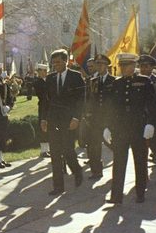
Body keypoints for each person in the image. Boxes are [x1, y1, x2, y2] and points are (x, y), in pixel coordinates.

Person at [104, 53, 156, 204]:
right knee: (119, 162)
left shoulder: (144, 81)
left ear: (134, 66)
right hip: (120, 129)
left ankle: (140, 193)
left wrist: (150, 123)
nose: (123, 69)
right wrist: (108, 126)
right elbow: (112, 107)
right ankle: (116, 195)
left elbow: (153, 104)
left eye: (127, 65)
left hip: (138, 127)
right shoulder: (117, 83)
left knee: (140, 162)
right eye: (122, 66)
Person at [40, 49, 85, 196]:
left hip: (69, 120)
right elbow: (45, 101)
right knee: (55, 153)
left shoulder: (76, 77)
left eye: (58, 62)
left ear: (66, 61)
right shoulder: (50, 78)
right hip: (53, 120)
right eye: (54, 63)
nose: (56, 65)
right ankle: (58, 186)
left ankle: (77, 171)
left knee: (67, 150)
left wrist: (77, 118)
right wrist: (44, 119)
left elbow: (81, 100)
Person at [84, 54, 116, 180]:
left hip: (109, 119)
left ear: (107, 66)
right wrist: (87, 116)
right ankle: (96, 171)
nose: (99, 67)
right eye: (97, 64)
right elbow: (89, 100)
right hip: (95, 119)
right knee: (93, 146)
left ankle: (118, 170)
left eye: (101, 64)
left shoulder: (114, 81)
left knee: (114, 145)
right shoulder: (92, 81)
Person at [33, 63, 51, 157]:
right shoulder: (38, 81)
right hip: (44, 104)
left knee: (49, 125)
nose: (45, 73)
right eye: (41, 71)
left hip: (49, 105)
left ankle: (47, 148)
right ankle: (43, 150)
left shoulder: (46, 80)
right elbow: (42, 93)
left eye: (44, 71)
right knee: (43, 125)